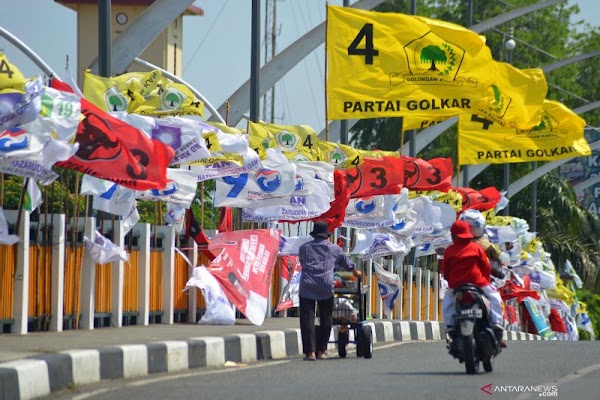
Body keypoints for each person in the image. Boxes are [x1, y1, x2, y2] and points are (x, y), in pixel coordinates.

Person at [298, 221, 361, 361]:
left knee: (307, 319)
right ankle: (322, 350)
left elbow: (303, 263)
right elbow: (348, 264)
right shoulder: (335, 249)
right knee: (326, 318)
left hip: (307, 285)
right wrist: (357, 273)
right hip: (326, 285)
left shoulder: (304, 248)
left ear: (314, 235)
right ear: (327, 236)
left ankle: (310, 353)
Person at [441, 220, 505, 347]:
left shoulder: (449, 251)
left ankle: (450, 326)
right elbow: (485, 267)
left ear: (453, 236)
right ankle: (497, 322)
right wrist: (485, 280)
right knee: (495, 298)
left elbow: (446, 271)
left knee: (447, 302)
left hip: (456, 286)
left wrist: (451, 282)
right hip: (479, 283)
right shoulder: (477, 248)